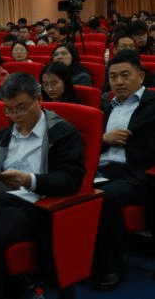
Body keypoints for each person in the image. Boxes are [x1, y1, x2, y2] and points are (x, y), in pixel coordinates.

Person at [0, 72, 85, 299]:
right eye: (8, 109)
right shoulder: (5, 134)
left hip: (36, 206)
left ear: (39, 99)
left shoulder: (63, 133)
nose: (15, 115)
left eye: (21, 108)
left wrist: (29, 180)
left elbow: (71, 179)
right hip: (1, 198)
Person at [92, 50, 155, 290]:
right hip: (101, 168)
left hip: (136, 173)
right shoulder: (107, 106)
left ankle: (111, 265)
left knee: (106, 197)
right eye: (113, 76)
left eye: (125, 75)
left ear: (140, 76)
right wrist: (104, 139)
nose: (118, 82)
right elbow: (90, 143)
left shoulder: (152, 105)